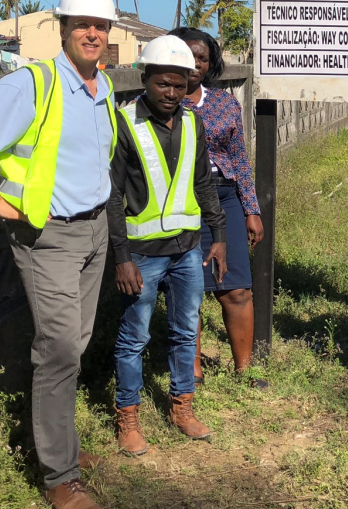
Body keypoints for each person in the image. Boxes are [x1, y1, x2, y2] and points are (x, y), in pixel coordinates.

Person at [0, 0, 120, 509]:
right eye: (82, 24)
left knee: (74, 344)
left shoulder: (102, 87)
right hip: (49, 235)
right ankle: (59, 476)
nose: (93, 32)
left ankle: (58, 444)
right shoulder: (34, 83)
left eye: (101, 25)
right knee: (60, 347)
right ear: (62, 29)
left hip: (93, 232)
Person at [110, 36, 228, 456]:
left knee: (184, 331)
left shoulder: (193, 123)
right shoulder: (124, 123)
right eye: (163, 84)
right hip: (142, 256)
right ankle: (128, 417)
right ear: (145, 79)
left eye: (179, 85)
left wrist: (218, 237)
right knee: (133, 338)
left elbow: (203, 185)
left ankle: (182, 407)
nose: (172, 93)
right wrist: (121, 258)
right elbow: (112, 195)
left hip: (187, 251)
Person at [168, 28, 266, 388]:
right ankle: (190, 371)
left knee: (236, 288)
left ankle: (245, 370)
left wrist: (251, 209)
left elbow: (239, 159)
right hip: (179, 201)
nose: (194, 64)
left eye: (202, 58)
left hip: (224, 198)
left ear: (211, 64)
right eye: (187, 55)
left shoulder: (224, 103)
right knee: (186, 290)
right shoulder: (161, 102)